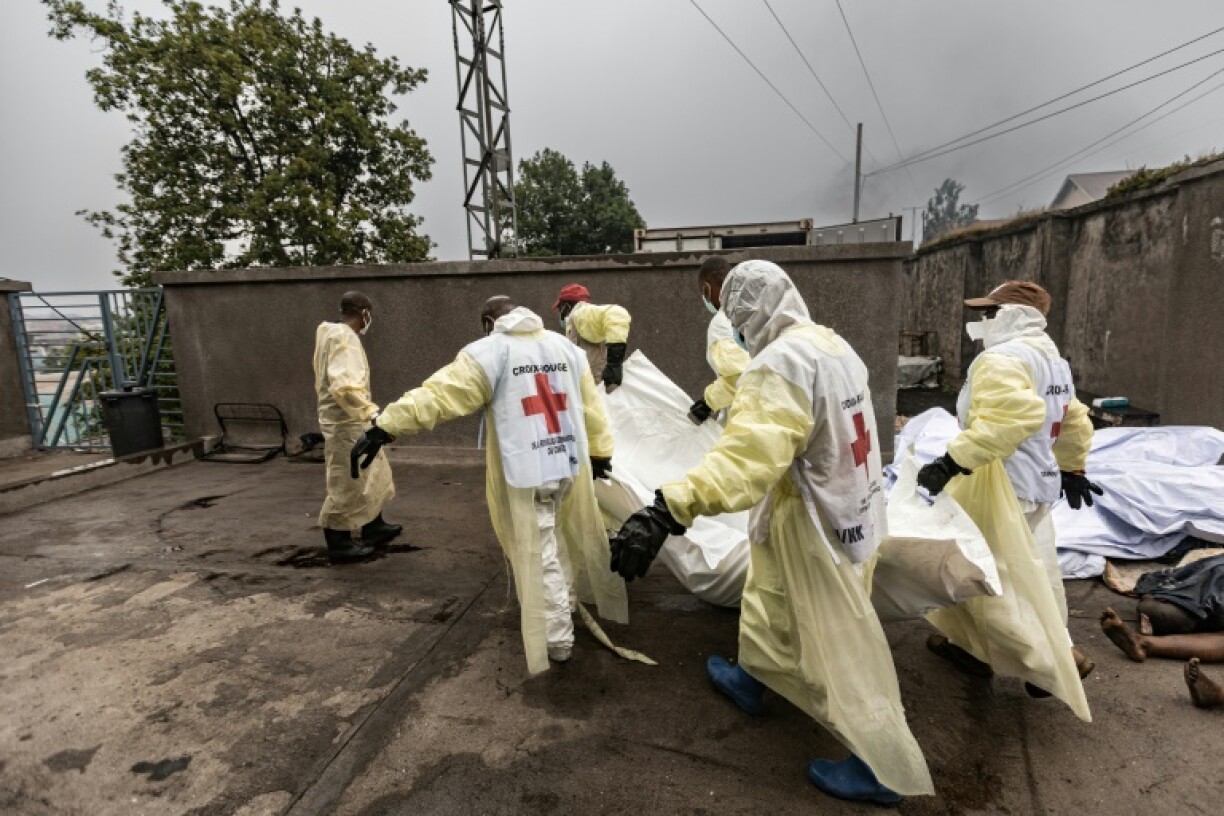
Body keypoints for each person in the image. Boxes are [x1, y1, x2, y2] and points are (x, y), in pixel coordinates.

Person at [609, 260, 933, 805]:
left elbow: (745, 460)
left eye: (735, 316)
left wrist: (667, 509)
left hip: (814, 520)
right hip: (845, 504)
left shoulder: (777, 366)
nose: (732, 327)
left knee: (841, 640)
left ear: (748, 313)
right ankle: (752, 679)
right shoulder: (832, 346)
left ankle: (882, 767)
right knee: (768, 599)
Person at [350, 296, 627, 672]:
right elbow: (590, 406)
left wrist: (385, 426)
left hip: (528, 470)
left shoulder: (489, 352)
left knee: (540, 550)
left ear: (487, 322)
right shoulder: (564, 347)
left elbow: (438, 396)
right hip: (566, 463)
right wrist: (600, 452)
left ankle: (557, 639)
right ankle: (562, 605)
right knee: (556, 540)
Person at [917, 280, 1097, 712]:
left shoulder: (1001, 359)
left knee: (985, 576)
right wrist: (1072, 466)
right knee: (1028, 572)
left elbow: (1010, 418)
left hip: (1000, 484)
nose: (983, 322)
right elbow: (1073, 419)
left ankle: (1051, 663)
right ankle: (973, 650)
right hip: (1038, 482)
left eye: (991, 312)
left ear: (1013, 316)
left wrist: (951, 461)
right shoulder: (1050, 359)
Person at [313, 291, 401, 565]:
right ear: (364, 312)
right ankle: (338, 542)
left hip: (349, 419)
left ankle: (373, 525)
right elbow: (344, 385)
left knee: (373, 472)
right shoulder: (344, 338)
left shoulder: (330, 333)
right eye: (369, 314)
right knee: (347, 481)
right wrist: (371, 413)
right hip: (346, 422)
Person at [688, 256, 750, 425]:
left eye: (703, 292)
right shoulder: (752, 313)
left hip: (747, 421)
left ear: (707, 289)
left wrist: (708, 403)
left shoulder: (722, 323)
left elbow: (741, 376)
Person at [552, 283, 631, 392]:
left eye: (560, 308)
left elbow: (617, 313)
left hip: (599, 388)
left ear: (567, 306)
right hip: (592, 389)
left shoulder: (581, 313)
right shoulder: (583, 320)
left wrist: (614, 364)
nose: (560, 314)